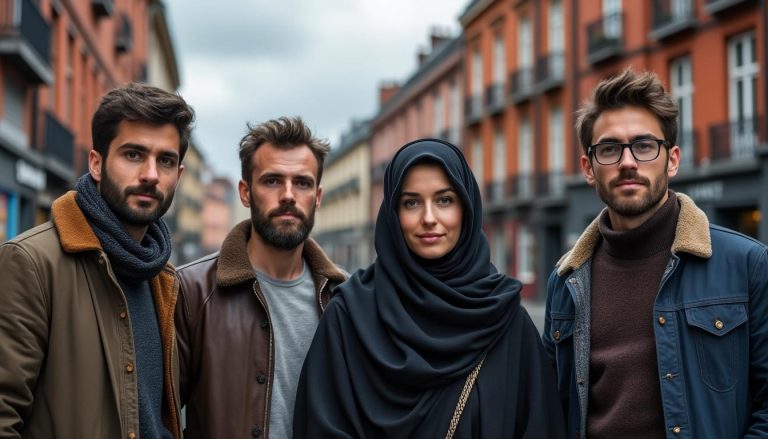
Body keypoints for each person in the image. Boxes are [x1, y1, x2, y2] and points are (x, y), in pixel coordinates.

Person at [543, 68, 768, 438]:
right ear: (588, 168)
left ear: (673, 159)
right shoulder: (565, 283)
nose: (628, 162)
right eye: (610, 149)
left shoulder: (747, 264)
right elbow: (551, 411)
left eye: (645, 146)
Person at [293, 139, 566, 438]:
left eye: (444, 200)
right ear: (393, 214)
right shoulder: (348, 316)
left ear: (466, 207)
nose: (429, 218)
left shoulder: (507, 321)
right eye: (411, 202)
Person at [0, 83, 194, 438]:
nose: (151, 174)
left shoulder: (163, 276)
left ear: (178, 176)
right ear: (97, 164)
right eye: (133, 155)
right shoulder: (32, 262)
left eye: (165, 160)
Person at [175, 116, 348, 438]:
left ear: (318, 196)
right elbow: (162, 416)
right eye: (272, 181)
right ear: (245, 192)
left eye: (302, 182)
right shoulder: (193, 291)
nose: (287, 195)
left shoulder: (346, 296)